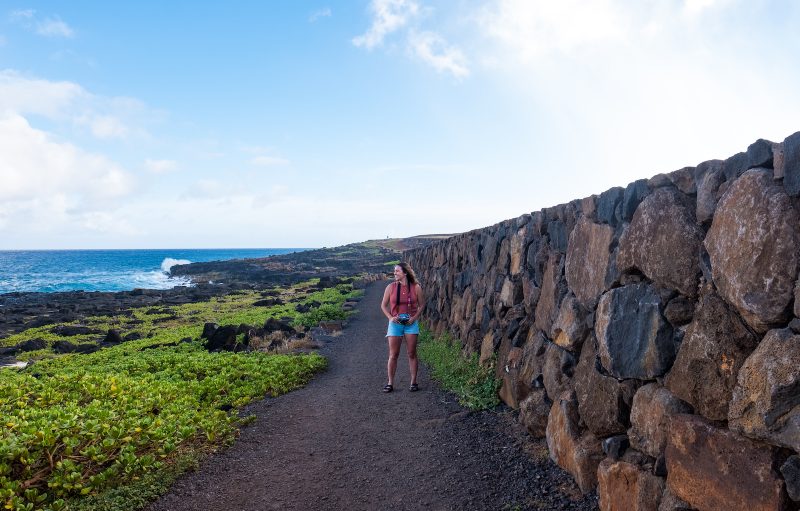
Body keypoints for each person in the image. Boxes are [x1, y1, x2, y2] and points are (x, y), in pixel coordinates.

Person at [380, 262, 424, 393]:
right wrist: (390, 318)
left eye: (397, 271)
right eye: (394, 271)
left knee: (411, 353)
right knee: (393, 354)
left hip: (411, 324)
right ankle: (390, 383)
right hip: (395, 324)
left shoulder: (416, 287)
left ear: (405, 273)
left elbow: (422, 305)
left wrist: (414, 318)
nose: (394, 273)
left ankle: (414, 382)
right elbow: (383, 305)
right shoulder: (390, 287)